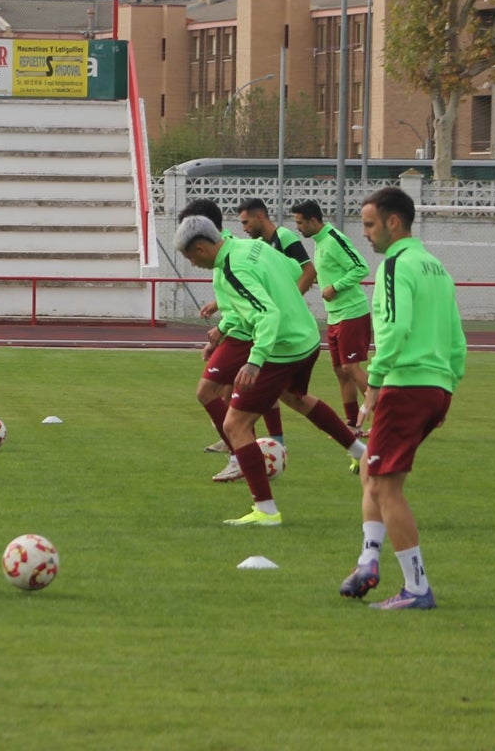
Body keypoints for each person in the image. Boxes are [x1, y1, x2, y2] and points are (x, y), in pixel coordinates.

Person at [174, 215, 366, 527]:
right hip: (306, 336)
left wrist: (255, 359)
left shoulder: (231, 269)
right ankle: (360, 451)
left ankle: (265, 510)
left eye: (189, 257)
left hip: (283, 346)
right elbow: (292, 271)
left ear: (200, 248)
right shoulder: (253, 247)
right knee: (296, 397)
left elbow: (266, 314)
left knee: (236, 424)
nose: (192, 264)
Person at [338, 187, 466, 610]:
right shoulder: (435, 267)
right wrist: (446, 388)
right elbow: (456, 338)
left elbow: (394, 330)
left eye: (370, 225)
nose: (366, 235)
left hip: (405, 383)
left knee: (385, 486)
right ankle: (368, 560)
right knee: (371, 471)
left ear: (394, 223)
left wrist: (374, 385)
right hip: (434, 386)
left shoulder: (396, 265)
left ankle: (416, 589)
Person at [179, 199, 288, 482]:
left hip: (249, 333)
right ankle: (249, 449)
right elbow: (236, 299)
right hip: (242, 330)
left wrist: (226, 330)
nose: (191, 260)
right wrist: (219, 329)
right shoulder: (227, 251)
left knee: (217, 394)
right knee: (230, 394)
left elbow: (298, 273)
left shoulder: (231, 254)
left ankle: (242, 454)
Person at [290, 200, 372, 433]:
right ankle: (353, 424)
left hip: (352, 312)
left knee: (351, 367)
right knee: (340, 371)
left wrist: (335, 287)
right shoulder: (319, 242)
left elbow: (360, 267)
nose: (298, 228)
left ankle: (386, 419)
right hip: (335, 315)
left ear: (314, 221)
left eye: (300, 223)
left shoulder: (334, 239)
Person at [237, 197, 317, 294]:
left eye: (246, 222)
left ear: (259, 216)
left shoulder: (284, 236)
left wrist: (291, 299)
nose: (244, 229)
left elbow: (309, 271)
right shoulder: (260, 244)